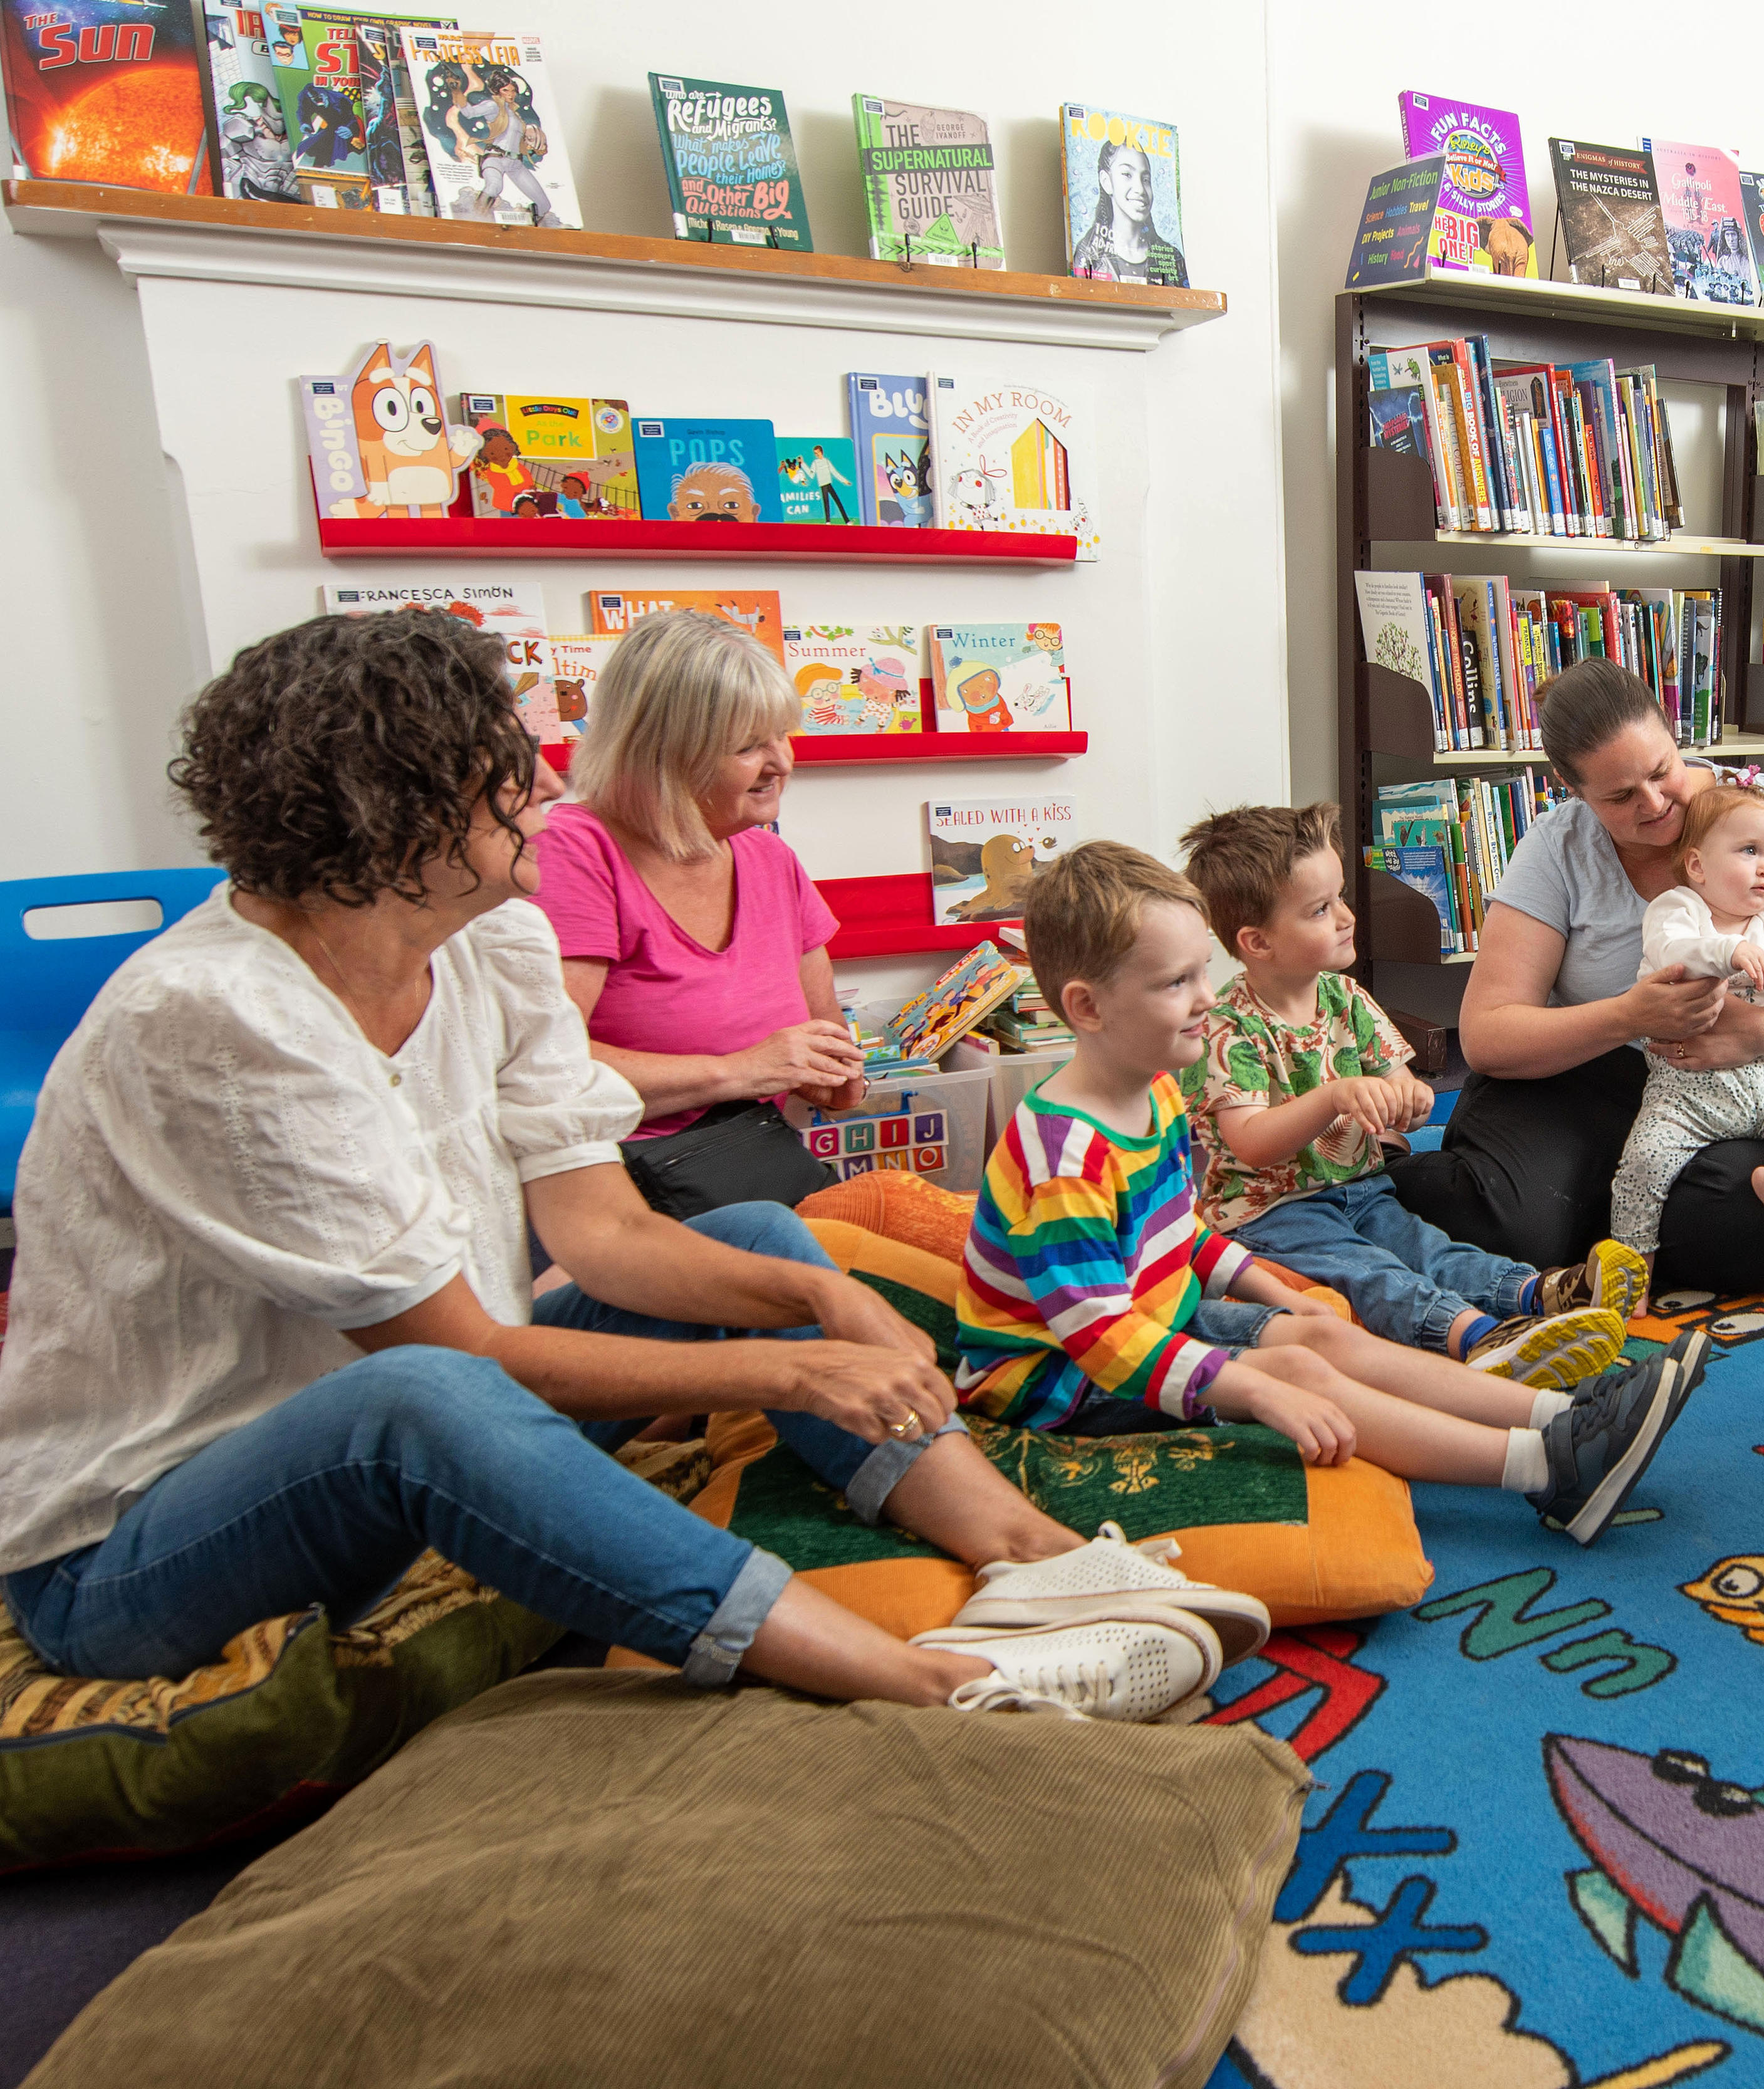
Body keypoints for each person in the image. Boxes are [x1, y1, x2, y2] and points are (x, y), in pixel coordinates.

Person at [0, 611, 1244, 1722]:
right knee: (426, 1403)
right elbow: (458, 1362)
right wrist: (795, 1360)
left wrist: (821, 1297)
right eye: (508, 775)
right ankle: (940, 1680)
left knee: (761, 1237)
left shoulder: (492, 942)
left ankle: (1030, 1555)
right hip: (135, 1547)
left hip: (432, 1413)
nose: (550, 785)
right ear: (399, 823)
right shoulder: (221, 1019)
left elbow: (600, 1231)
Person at [956, 842, 1704, 1547]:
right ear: (1087, 1008)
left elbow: (1176, 1230)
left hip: (1153, 1323)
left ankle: (1565, 1413)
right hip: (1058, 1385)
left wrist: (1272, 1290)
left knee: (1321, 1331)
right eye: (1173, 984)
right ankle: (1548, 1470)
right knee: (1296, 1371)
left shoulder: (1149, 1093)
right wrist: (1252, 1391)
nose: (1204, 1000)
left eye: (1199, 973)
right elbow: (1099, 1342)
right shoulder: (1063, 1158)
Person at [1389, 659, 1764, 1297]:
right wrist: (1631, 1016)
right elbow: (1486, 1037)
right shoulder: (1556, 847)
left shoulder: (1763, 813)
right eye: (1620, 797)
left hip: (1728, 1091)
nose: (1653, 805)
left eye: (1661, 772)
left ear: (1675, 737)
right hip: (1579, 1078)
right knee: (1508, 1229)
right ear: (1570, 787)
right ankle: (1418, 1178)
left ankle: (1591, 1213)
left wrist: (1753, 1034)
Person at [1175, 801, 1643, 1384]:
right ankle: (1479, 1339)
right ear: (1258, 942)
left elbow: (1405, 1085)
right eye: (1320, 909)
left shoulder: (1348, 998)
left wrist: (1410, 1098)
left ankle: (1545, 1291)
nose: (1346, 917)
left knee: (1430, 1248)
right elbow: (1249, 1144)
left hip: (1361, 1188)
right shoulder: (1226, 1026)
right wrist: (1335, 1097)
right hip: (1270, 1215)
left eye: (1340, 897)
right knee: (1373, 1275)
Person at [530, 612, 864, 1210]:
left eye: (781, 735)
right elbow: (543, 1066)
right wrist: (739, 1071)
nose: (782, 763)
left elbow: (833, 1068)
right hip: (616, 1198)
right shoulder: (574, 850)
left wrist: (836, 1075)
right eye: (748, 746)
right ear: (665, 754)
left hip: (752, 1171)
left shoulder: (769, 859)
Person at [1611, 783, 1764, 1247]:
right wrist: (1732, 951)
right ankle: (1635, 1260)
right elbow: (1672, 952)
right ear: (1698, 865)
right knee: (1644, 1160)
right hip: (1687, 1095)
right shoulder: (1677, 909)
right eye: (1750, 851)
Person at [1067, 137, 1187, 286]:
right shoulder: (1089, 256)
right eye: (1127, 175)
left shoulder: (1173, 259)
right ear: (1106, 182)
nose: (1140, 189)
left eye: (1145, 179)